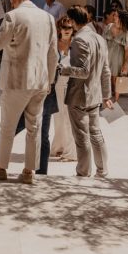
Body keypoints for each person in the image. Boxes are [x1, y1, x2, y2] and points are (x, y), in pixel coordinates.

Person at [0, 0, 58, 184]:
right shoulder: (48, 18)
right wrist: (49, 80)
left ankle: (1, 167)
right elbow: (53, 53)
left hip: (17, 80)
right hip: (40, 80)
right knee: (34, 128)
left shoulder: (12, 16)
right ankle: (29, 171)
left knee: (8, 126)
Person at [60, 6, 113, 178]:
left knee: (82, 137)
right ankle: (102, 170)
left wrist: (63, 68)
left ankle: (83, 172)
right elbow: (106, 70)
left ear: (74, 21)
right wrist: (106, 95)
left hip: (79, 95)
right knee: (96, 134)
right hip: (95, 94)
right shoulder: (99, 38)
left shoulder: (79, 40)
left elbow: (83, 71)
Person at [50, 16, 77, 161]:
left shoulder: (76, 45)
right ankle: (59, 147)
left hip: (71, 85)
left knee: (68, 118)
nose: (67, 30)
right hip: (56, 84)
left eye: (69, 28)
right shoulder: (54, 44)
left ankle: (70, 152)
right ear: (59, 29)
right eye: (64, 27)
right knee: (58, 117)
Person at [103, 10, 128, 102]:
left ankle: (116, 101)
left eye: (116, 15)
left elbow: (127, 50)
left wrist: (126, 63)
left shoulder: (125, 32)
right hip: (107, 55)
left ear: (120, 18)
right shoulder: (108, 27)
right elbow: (103, 41)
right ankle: (107, 99)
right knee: (106, 78)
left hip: (118, 57)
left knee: (116, 80)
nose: (114, 17)